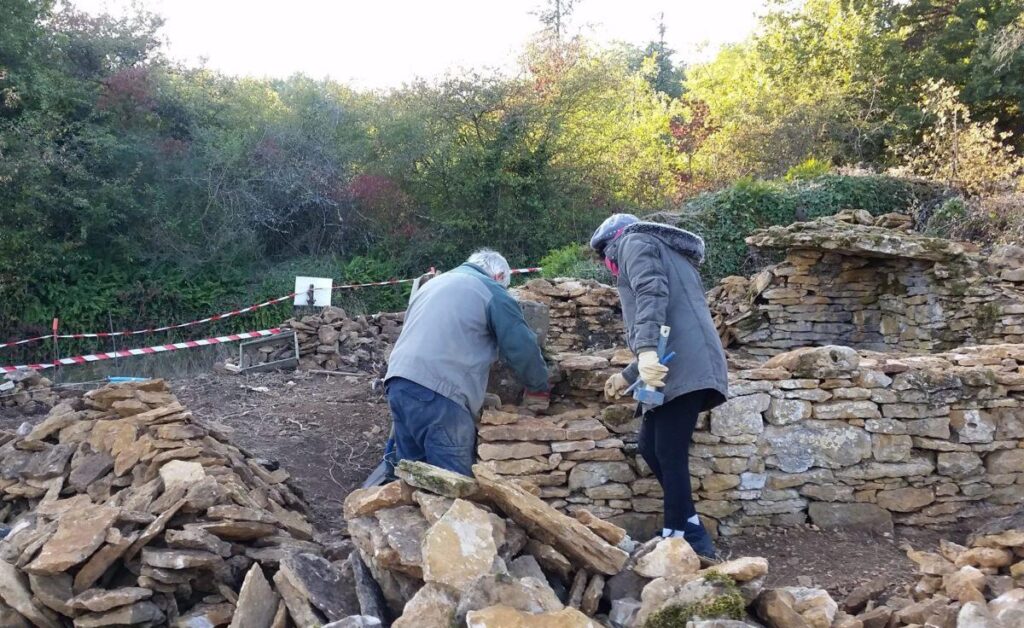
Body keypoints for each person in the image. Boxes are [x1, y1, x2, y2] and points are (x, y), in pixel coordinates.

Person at [590, 213, 729, 559]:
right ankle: (690, 525)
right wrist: (628, 373)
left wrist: (648, 351)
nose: (610, 266)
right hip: (679, 361)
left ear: (611, 242)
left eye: (606, 257)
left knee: (669, 451)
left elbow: (652, 295)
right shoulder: (663, 251)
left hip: (682, 366)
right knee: (651, 447)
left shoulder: (634, 242)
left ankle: (680, 537)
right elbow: (671, 321)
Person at [384, 249, 550, 477]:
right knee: (453, 484)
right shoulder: (492, 291)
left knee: (412, 477)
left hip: (398, 383)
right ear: (499, 276)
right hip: (440, 395)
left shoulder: (434, 284)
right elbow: (521, 345)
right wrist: (538, 387)